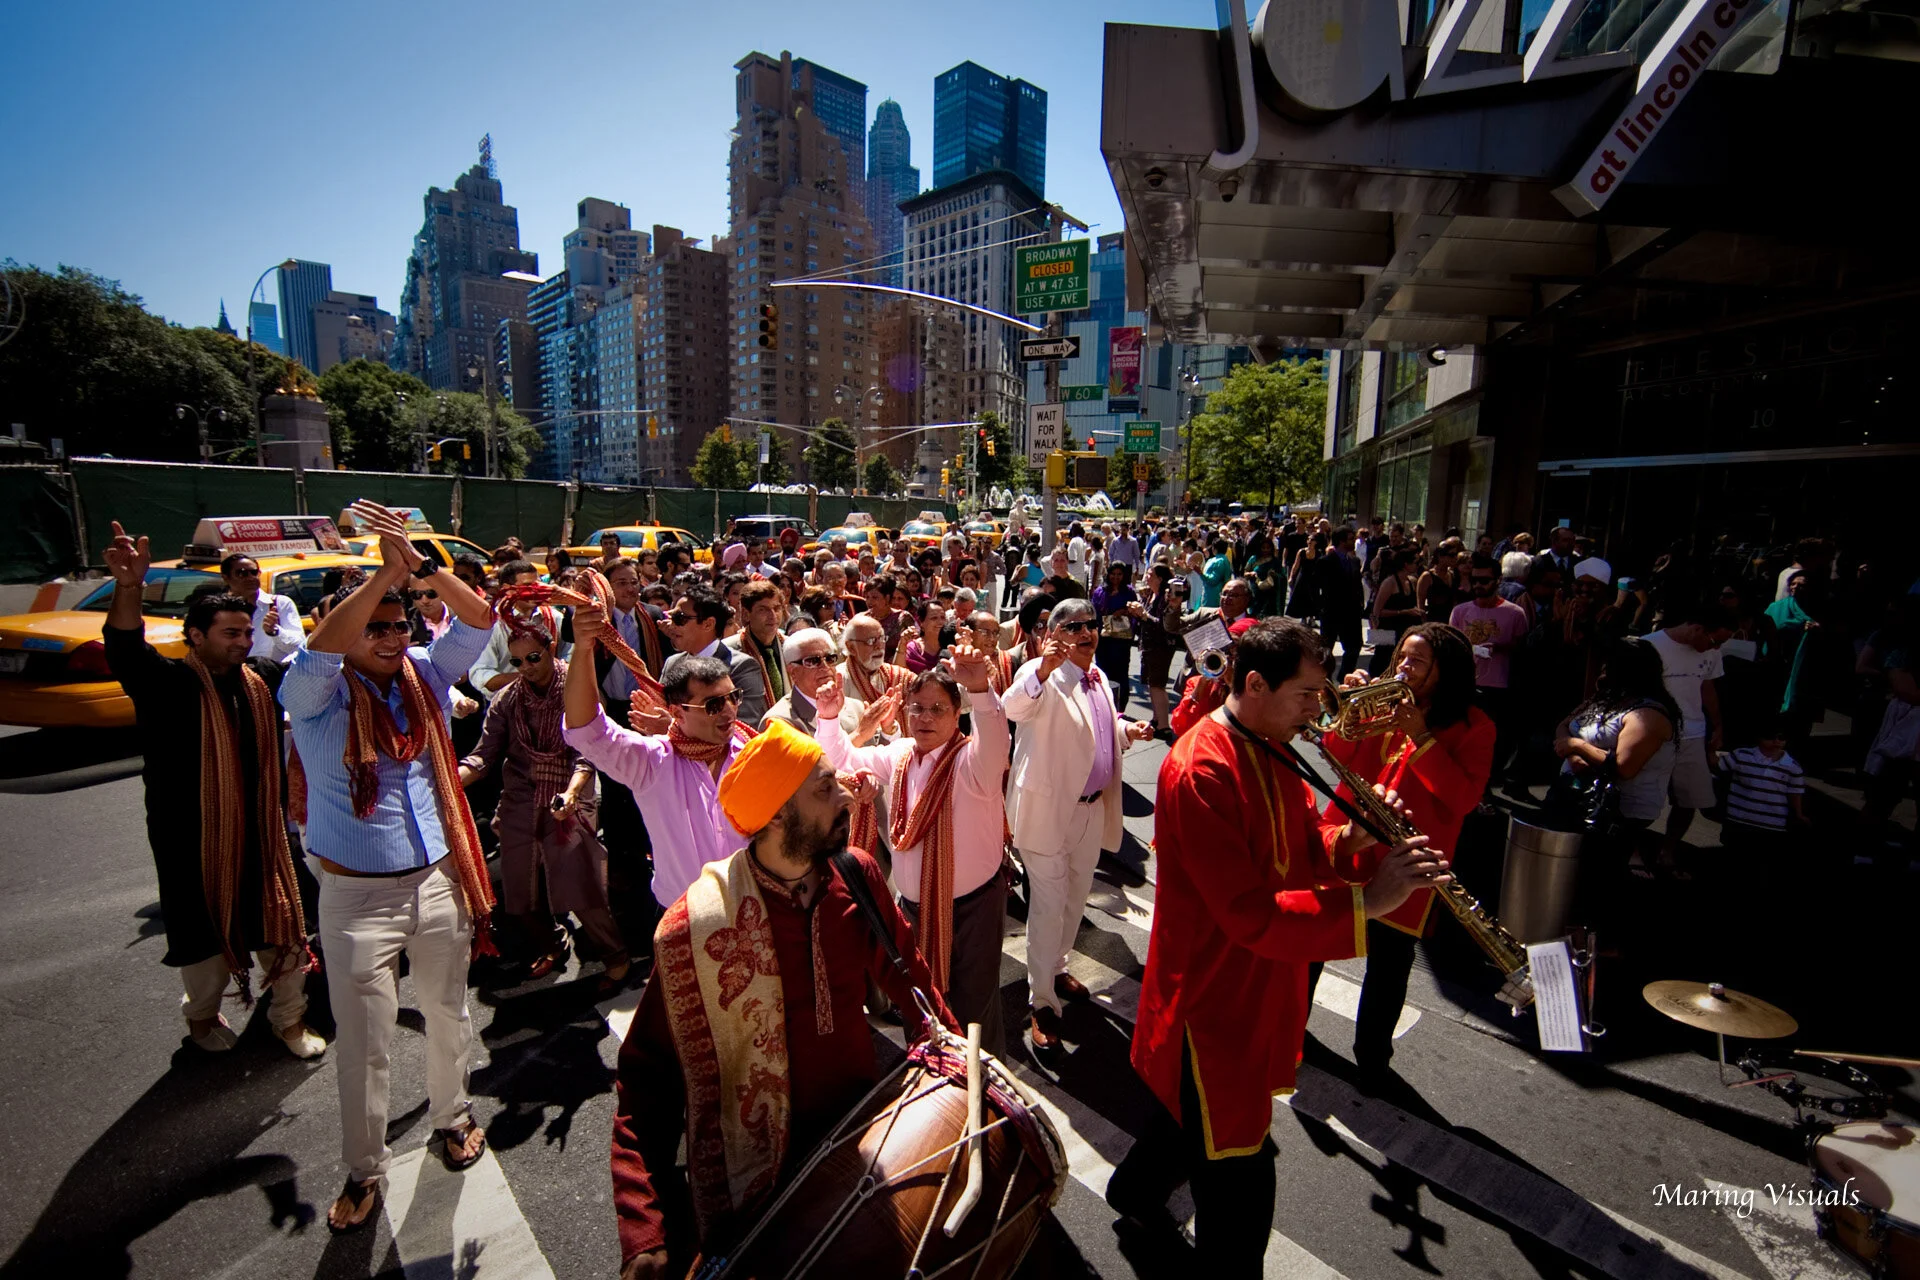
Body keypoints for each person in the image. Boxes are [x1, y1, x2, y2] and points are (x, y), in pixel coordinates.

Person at [1106, 618, 1446, 1275]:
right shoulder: (1201, 768)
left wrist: (1348, 840)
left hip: (1256, 982)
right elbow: (1249, 913)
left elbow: (1293, 850)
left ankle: (1134, 1194)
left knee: (1190, 1125)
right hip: (1211, 1004)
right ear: (1256, 684)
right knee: (1241, 1176)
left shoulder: (1269, 741)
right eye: (1308, 694)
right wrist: (1368, 903)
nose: (1319, 709)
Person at [608, 719, 954, 1279]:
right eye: (825, 788)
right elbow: (645, 1085)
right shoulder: (695, 931)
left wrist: (958, 1067)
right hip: (757, 1191)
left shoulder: (857, 874)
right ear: (775, 816)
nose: (847, 797)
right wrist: (642, 1225)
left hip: (863, 1145)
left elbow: (915, 987)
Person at [278, 502, 500, 1233]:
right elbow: (319, 653)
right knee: (366, 1045)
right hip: (354, 900)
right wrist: (380, 578)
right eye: (374, 627)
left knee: (448, 1014)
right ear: (344, 630)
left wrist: (419, 563)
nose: (391, 637)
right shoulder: (313, 692)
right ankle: (364, 1169)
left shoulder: (425, 676)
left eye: (400, 625)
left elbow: (480, 621)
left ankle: (453, 1116)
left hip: (436, 881)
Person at [102, 528, 325, 1059]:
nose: (242, 642)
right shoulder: (167, 685)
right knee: (202, 940)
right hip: (192, 843)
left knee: (283, 927)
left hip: (264, 838)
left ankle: (289, 1020)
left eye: (246, 632)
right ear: (195, 637)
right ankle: (202, 1019)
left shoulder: (262, 678)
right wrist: (129, 588)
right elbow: (125, 648)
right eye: (229, 633)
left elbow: (318, 662)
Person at [816, 644, 1011, 1053]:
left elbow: (996, 739)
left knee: (973, 1008)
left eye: (937, 709)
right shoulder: (903, 755)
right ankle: (930, 1075)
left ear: (957, 714)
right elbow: (842, 761)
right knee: (919, 1003)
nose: (925, 718)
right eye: (917, 708)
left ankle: (982, 1083)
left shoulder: (973, 761)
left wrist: (980, 689)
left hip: (972, 909)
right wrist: (829, 718)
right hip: (912, 910)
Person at [1321, 624, 1492, 1079]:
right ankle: (1291, 1034)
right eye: (1402, 656)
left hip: (1408, 856)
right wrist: (1346, 710)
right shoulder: (1382, 705)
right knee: (1317, 939)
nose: (1404, 667)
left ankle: (1373, 1060)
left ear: (1445, 671)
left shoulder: (1476, 727)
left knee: (1390, 964)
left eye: (1417, 661)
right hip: (1351, 838)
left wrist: (1421, 736)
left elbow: (1462, 799)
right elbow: (1336, 753)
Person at [1004, 598, 1157, 1051]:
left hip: (1091, 809)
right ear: (1051, 635)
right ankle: (1042, 1002)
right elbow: (1013, 707)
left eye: (1091, 624)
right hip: (1048, 811)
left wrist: (1127, 732)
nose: (1086, 632)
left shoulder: (1099, 677)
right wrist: (1042, 668)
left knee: (1075, 899)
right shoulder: (1040, 675)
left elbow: (1099, 729)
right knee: (1048, 907)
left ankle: (1057, 968)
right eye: (1072, 626)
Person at [458, 621, 629, 991]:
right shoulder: (508, 699)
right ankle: (552, 943)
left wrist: (571, 794)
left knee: (579, 886)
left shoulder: (578, 690)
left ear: (551, 650)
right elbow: (483, 755)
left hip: (569, 795)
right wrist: (450, 781)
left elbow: (587, 752)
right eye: (517, 662)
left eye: (533, 658)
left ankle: (616, 956)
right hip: (520, 798)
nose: (526, 668)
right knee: (518, 889)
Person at [564, 638, 756, 913]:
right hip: (686, 917)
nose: (728, 710)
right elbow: (587, 730)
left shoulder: (754, 754)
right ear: (678, 712)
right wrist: (583, 647)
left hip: (756, 909)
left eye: (733, 697)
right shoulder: (653, 763)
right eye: (713, 704)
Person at [1553, 638, 1680, 921]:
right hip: (1576, 799)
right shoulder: (1607, 698)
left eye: (1608, 666)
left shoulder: (1648, 715)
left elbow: (1624, 768)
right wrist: (1571, 752)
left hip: (1618, 813)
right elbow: (1564, 724)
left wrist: (1577, 746)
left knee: (1599, 884)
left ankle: (1597, 937)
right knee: (1570, 879)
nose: (1601, 671)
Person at [1647, 603, 1730, 874]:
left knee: (1689, 799)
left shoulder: (1711, 652)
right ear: (1697, 629)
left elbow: (1708, 687)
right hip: (1654, 734)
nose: (1716, 648)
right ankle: (1632, 850)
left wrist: (1717, 726)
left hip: (1693, 733)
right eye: (1715, 641)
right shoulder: (1649, 646)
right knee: (1641, 798)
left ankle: (1668, 851)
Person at [1450, 555, 1531, 798]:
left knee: (1496, 743)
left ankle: (1486, 787)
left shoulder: (1515, 613)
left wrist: (1501, 647)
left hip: (1499, 687)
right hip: (1467, 685)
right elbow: (1451, 647)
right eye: (1474, 580)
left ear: (1498, 580)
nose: (1478, 585)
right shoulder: (1460, 611)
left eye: (1484, 580)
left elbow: (1523, 649)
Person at [662, 587, 769, 731]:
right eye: (671, 617)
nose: (672, 625)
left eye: (679, 618)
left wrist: (672, 727)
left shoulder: (742, 667)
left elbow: (744, 727)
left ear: (708, 624)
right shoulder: (672, 663)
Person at [1716, 715, 1808, 857]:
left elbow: (1795, 793)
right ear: (1759, 737)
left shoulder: (1792, 767)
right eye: (1771, 737)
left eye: (1781, 737)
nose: (1776, 741)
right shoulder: (1741, 755)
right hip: (1738, 819)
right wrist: (1711, 749)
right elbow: (1717, 767)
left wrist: (1798, 814)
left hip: (1772, 824)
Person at [219, 553, 306, 663]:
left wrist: (275, 631)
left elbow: (299, 646)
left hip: (272, 671)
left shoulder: (279, 604)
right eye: (242, 573)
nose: (251, 578)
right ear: (226, 578)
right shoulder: (220, 609)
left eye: (254, 572)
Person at [758, 627, 841, 736]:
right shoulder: (778, 722)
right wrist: (859, 734)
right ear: (793, 671)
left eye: (829, 658)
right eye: (813, 661)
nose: (825, 667)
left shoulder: (855, 707)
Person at [728, 579, 790, 712]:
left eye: (777, 608)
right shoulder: (729, 651)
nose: (773, 616)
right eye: (763, 610)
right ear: (746, 614)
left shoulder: (792, 645)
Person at [1136, 563, 1180, 738]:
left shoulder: (1165, 598)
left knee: (1157, 685)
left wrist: (1143, 614)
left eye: (1150, 574)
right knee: (1152, 684)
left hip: (1161, 646)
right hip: (1150, 645)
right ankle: (1157, 718)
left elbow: (1163, 624)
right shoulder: (1151, 595)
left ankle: (1163, 725)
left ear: (1160, 579)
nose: (1147, 577)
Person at [1092, 562, 1142, 714]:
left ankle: (1120, 708)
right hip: (1104, 640)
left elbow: (1135, 613)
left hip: (1122, 640)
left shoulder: (1129, 592)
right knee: (1103, 672)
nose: (1116, 577)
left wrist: (1124, 611)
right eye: (1113, 574)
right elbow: (1094, 613)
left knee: (1121, 674)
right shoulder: (1100, 591)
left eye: (1119, 574)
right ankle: (1103, 706)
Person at [1366, 548, 1423, 677]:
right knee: (1382, 662)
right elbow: (1377, 611)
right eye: (1415, 562)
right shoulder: (1389, 582)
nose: (1418, 565)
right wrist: (1403, 612)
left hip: (1404, 630)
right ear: (1406, 564)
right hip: (1387, 630)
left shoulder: (1412, 581)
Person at [1318, 529, 1366, 680]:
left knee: (1354, 646)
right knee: (1326, 650)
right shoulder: (1326, 561)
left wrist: (1361, 604)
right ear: (1341, 541)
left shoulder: (1354, 561)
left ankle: (1344, 676)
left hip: (1352, 613)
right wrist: (1320, 607)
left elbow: (1358, 585)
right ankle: (1324, 679)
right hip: (1332, 612)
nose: (1354, 541)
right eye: (1351, 539)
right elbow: (1315, 586)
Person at [901, 598, 947, 674]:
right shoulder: (913, 649)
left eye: (943, 617)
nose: (940, 622)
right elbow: (899, 672)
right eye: (934, 618)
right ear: (921, 622)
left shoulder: (950, 647)